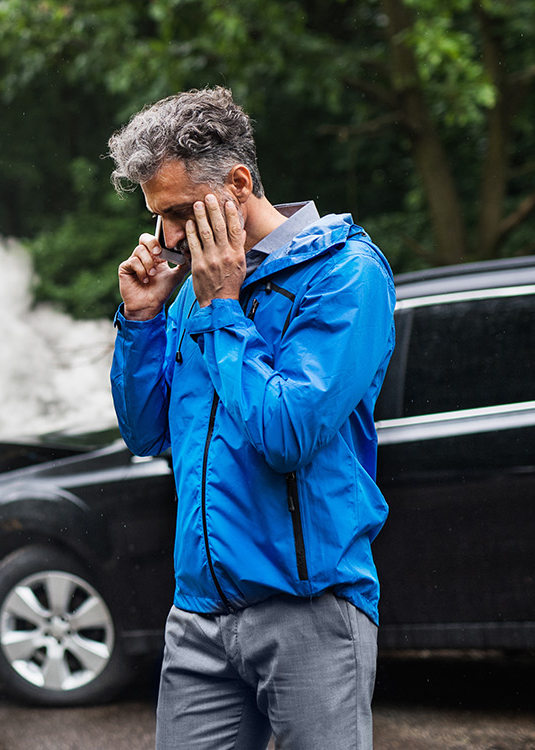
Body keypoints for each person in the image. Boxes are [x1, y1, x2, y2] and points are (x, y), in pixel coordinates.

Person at [107, 87, 396, 750]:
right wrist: (143, 320)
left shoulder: (345, 274)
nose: (167, 238)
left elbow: (288, 433)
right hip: (198, 615)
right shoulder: (199, 292)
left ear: (238, 185)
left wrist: (222, 306)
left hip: (310, 609)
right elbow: (147, 433)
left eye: (179, 212)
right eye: (157, 217)